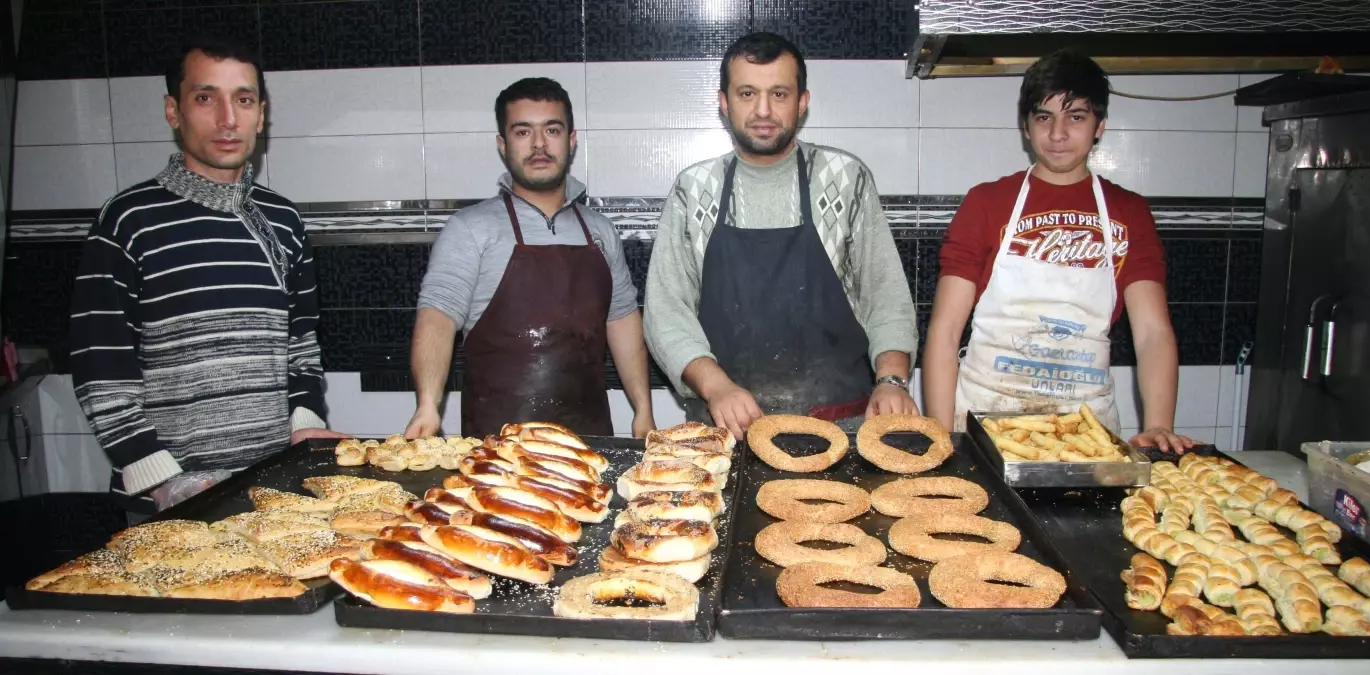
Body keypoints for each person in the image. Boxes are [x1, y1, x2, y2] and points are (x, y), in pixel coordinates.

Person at [70, 39, 347, 509]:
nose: (227, 119)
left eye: (243, 99)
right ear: (173, 111)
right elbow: (101, 370)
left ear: (261, 114)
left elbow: (300, 346)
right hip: (167, 499)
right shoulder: (127, 221)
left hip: (274, 493)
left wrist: (303, 424)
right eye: (205, 98)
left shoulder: (283, 220)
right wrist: (163, 481)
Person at [643, 32, 918, 440]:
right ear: (724, 103)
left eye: (780, 94)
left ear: (802, 103)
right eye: (748, 93)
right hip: (725, 431)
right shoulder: (693, 188)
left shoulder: (846, 178)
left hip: (842, 426)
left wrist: (892, 380)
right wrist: (716, 386)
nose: (763, 110)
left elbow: (886, 295)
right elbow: (665, 311)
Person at [922, 48, 1195, 453]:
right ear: (1026, 127)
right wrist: (944, 438)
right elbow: (945, 331)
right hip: (985, 421)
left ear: (1100, 126)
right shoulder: (986, 202)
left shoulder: (1129, 212)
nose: (1058, 134)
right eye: (1044, 117)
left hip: (1086, 433)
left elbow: (1153, 333)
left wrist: (1158, 424)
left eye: (1076, 117)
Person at [406, 77, 653, 439]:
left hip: (589, 446)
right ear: (503, 145)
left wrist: (643, 410)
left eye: (551, 130)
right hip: (496, 454)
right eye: (523, 132)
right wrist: (428, 404)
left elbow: (622, 322)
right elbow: (438, 318)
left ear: (571, 140)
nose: (539, 144)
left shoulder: (600, 231)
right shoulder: (469, 229)